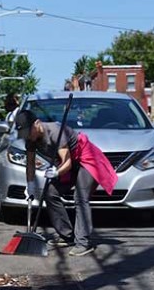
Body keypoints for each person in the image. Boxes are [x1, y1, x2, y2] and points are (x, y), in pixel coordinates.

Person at [15, 109, 118, 257]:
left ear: (37, 124)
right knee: (50, 193)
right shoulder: (30, 140)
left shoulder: (55, 132)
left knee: (80, 197)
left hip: (85, 160)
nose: (27, 136)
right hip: (68, 164)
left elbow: (67, 163)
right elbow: (30, 163)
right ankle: (67, 235)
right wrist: (30, 185)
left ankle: (83, 242)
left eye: (28, 131)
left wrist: (56, 172)